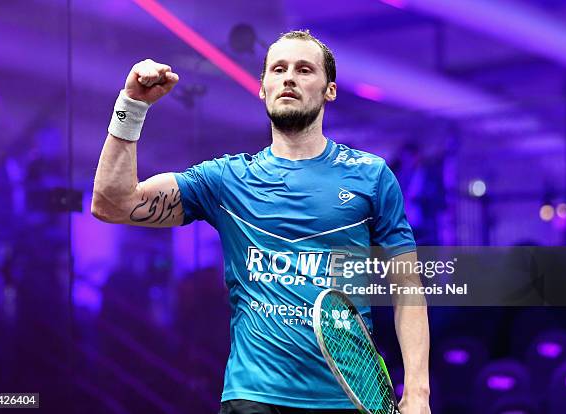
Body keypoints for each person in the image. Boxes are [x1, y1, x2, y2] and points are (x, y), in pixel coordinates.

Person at [92, 30, 430, 414]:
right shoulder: (225, 180)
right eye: (278, 69)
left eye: (304, 70)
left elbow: (407, 287)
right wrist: (132, 105)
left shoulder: (372, 176)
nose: (289, 78)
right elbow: (112, 203)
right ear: (262, 87)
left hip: (347, 397)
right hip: (254, 398)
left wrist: (417, 394)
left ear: (329, 90)